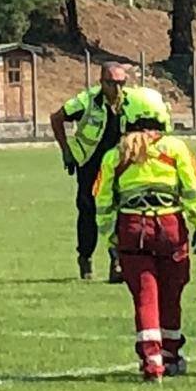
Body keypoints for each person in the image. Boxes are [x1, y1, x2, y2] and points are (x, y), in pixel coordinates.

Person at [93, 87, 196, 381]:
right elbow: (193, 189)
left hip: (132, 230)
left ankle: (151, 362)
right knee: (173, 293)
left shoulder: (115, 155)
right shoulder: (175, 148)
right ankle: (171, 355)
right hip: (170, 226)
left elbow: (103, 201)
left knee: (145, 297)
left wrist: (111, 239)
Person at [50, 62, 131, 281]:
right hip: (89, 164)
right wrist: (66, 150)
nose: (117, 89)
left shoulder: (131, 102)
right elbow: (57, 118)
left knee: (117, 211)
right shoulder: (87, 100)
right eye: (111, 83)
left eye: (121, 83)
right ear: (101, 82)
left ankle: (117, 261)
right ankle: (85, 257)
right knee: (88, 212)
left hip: (118, 167)